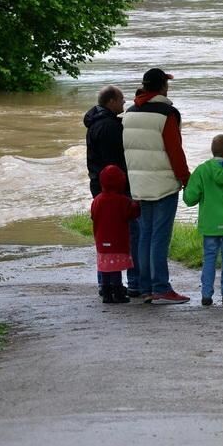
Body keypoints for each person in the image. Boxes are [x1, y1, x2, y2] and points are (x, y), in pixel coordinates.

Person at [122, 68, 191, 305]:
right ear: (163, 87)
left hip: (138, 183)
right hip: (163, 183)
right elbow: (174, 149)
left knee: (145, 235)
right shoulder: (167, 113)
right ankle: (161, 286)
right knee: (160, 236)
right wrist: (184, 177)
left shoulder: (129, 113)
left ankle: (145, 287)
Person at [83, 85, 141, 297]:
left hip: (99, 187)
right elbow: (115, 163)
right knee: (127, 235)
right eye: (121, 100)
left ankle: (105, 283)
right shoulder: (110, 127)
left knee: (104, 237)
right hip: (113, 190)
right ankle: (131, 282)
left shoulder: (95, 123)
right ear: (111, 102)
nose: (124, 104)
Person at [183, 134, 223, 306]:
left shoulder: (202, 170)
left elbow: (190, 199)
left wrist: (185, 188)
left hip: (210, 222)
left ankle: (206, 294)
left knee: (209, 257)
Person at [91, 165, 140, 304]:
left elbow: (93, 215)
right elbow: (133, 213)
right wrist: (137, 203)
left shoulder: (97, 200)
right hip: (118, 242)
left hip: (102, 242)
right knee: (115, 269)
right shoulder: (123, 201)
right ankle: (117, 292)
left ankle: (106, 293)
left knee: (106, 268)